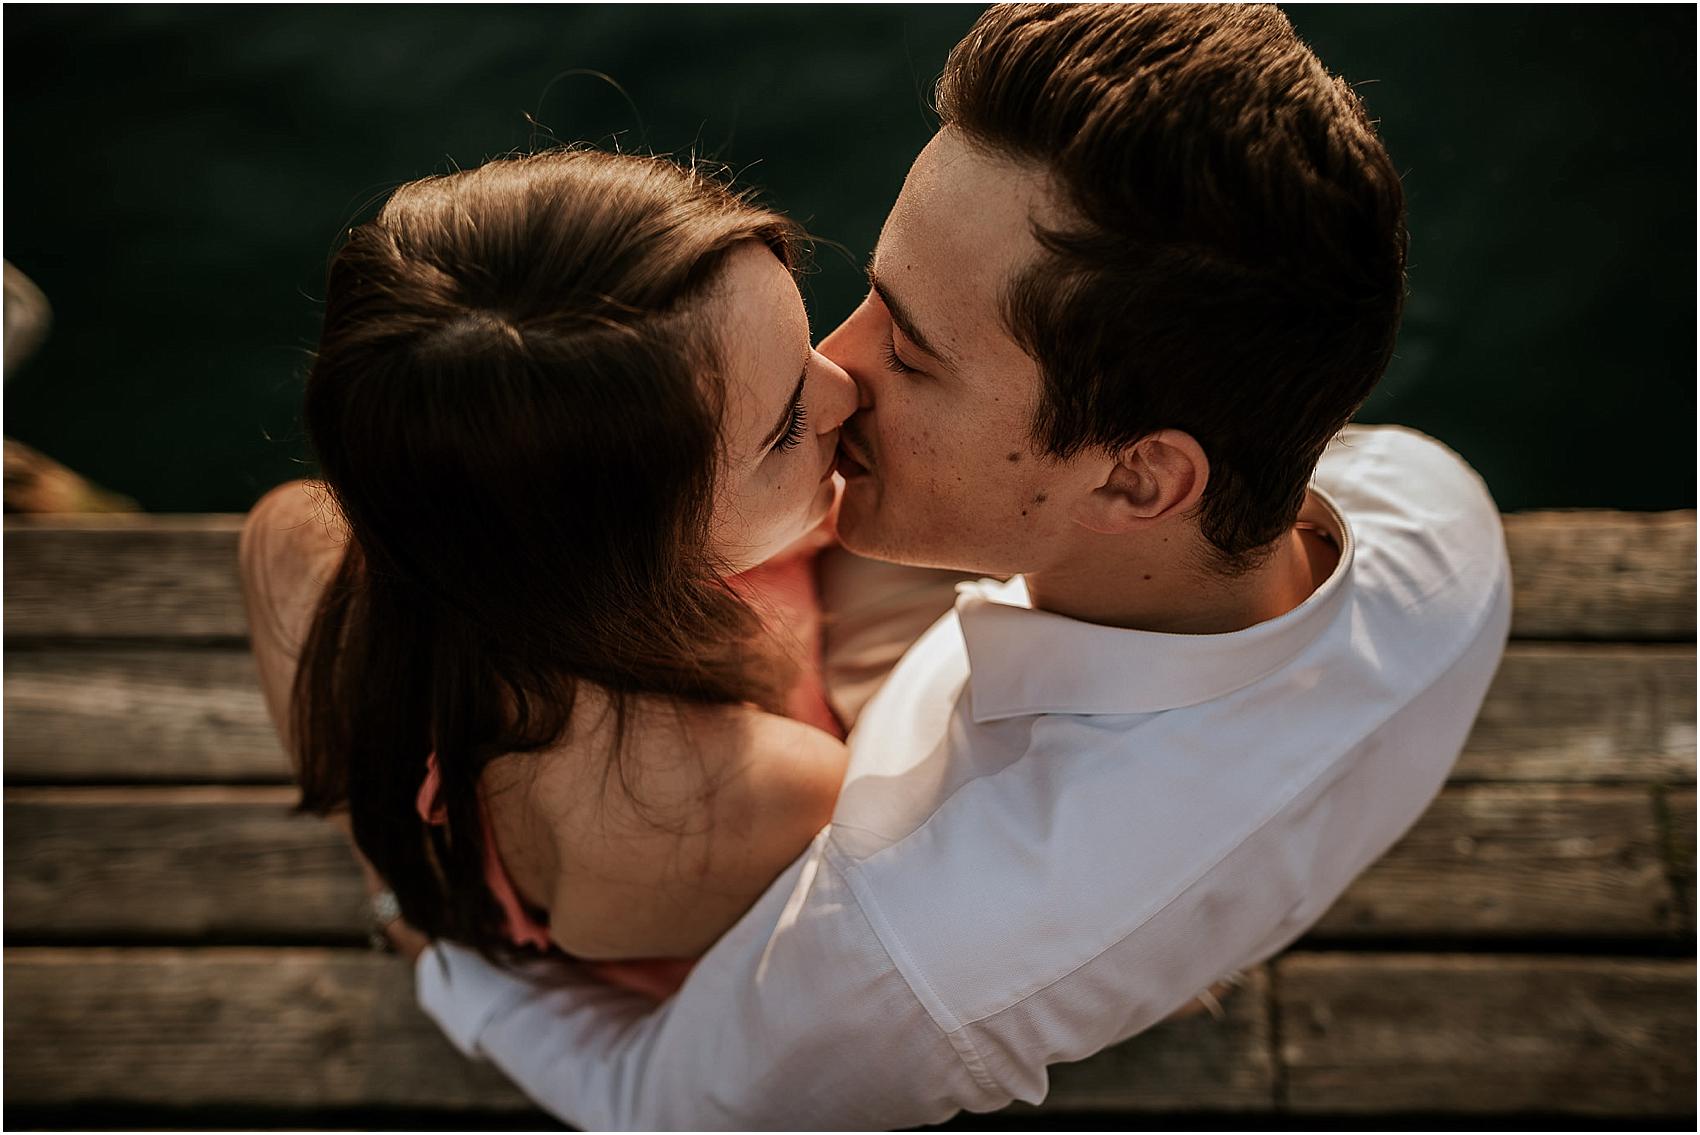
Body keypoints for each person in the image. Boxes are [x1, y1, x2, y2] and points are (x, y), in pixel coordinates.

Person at [410, 4, 1512, 1129]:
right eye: (875, 294)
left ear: (1136, 481)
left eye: (910, 348)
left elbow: (657, 1103)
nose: (827, 367)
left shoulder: (895, 948)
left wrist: (442, 961)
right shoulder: (1436, 515)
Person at [240, 147, 869, 996]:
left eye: (804, 339)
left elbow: (370, 817)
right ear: (619, 553)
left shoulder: (294, 550)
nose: (848, 390)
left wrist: (402, 912)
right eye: (788, 423)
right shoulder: (743, 798)